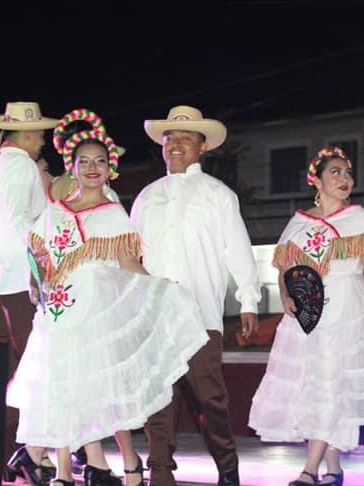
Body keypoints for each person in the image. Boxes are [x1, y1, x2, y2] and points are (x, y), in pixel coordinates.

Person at [6, 109, 209, 486]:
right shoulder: (55, 213)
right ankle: (63, 472)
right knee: (58, 389)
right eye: (84, 162)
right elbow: (36, 252)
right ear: (73, 168)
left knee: (84, 390)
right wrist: (37, 283)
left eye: (100, 161)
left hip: (92, 313)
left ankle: (99, 468)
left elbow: (129, 262)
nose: (92, 167)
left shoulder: (114, 213)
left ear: (110, 167)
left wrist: (163, 289)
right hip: (56, 316)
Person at [248, 147, 364, 486]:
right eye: (335, 173)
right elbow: (287, 268)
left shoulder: (359, 220)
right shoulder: (299, 223)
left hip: (346, 309)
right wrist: (287, 295)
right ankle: (333, 470)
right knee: (315, 387)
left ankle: (309, 470)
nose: (344, 179)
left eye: (347, 174)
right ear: (316, 180)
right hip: (308, 314)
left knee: (332, 384)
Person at [131, 105, 261, 486]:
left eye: (186, 138)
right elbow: (130, 254)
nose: (176, 144)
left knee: (210, 400)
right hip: (155, 314)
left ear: (202, 146)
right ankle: (160, 474)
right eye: (169, 138)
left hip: (200, 314)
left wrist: (249, 300)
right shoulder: (147, 196)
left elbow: (238, 249)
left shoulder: (218, 195)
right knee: (159, 399)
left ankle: (227, 467)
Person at [0, 101, 59, 481]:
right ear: (25, 134)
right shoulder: (21, 164)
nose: (42, 140)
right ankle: (24, 452)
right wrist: (46, 262)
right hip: (17, 276)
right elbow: (21, 220)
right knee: (35, 367)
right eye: (38, 133)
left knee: (8, 367)